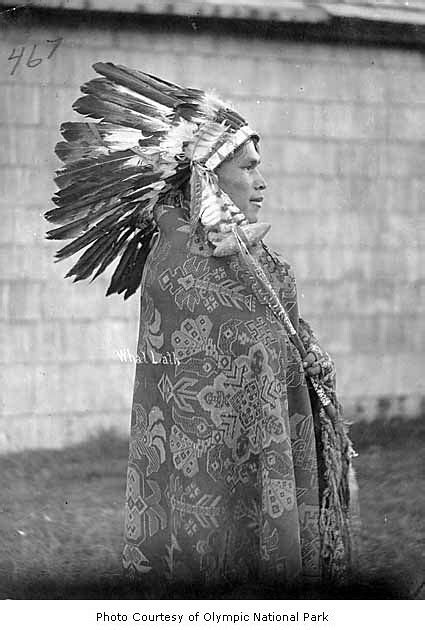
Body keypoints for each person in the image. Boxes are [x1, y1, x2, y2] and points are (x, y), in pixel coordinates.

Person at [45, 62, 357, 597]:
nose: (261, 181)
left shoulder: (255, 260)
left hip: (265, 452)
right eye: (247, 168)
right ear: (210, 177)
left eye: (261, 167)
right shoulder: (180, 262)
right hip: (201, 482)